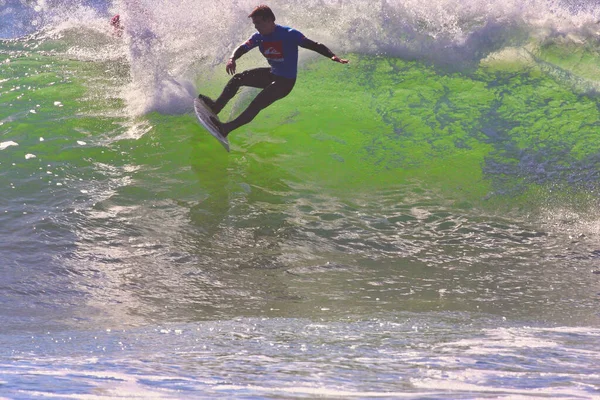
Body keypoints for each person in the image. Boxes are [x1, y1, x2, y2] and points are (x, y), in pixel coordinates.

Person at [199, 5, 349, 138]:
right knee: (238, 79)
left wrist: (332, 56)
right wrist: (232, 58)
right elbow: (242, 48)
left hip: (285, 83)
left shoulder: (289, 34)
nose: (256, 27)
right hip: (273, 73)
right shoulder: (258, 37)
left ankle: (226, 128)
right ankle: (216, 107)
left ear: (270, 19)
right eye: (254, 24)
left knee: (256, 103)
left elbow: (314, 45)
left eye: (259, 22)